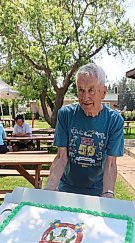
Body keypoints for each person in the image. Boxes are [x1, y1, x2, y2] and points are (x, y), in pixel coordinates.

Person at [44, 63, 124, 198]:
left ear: (103, 92)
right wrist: (48, 190)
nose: (85, 97)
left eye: (91, 90)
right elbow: (61, 158)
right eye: (81, 90)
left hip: (98, 190)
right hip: (67, 188)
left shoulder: (114, 120)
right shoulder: (65, 115)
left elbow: (110, 164)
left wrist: (108, 194)